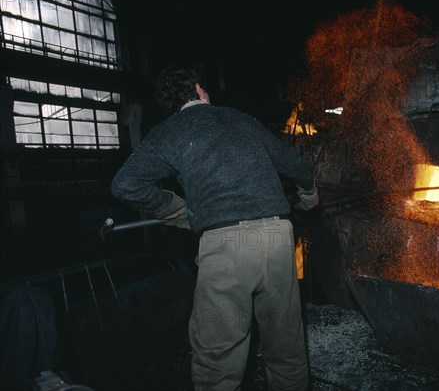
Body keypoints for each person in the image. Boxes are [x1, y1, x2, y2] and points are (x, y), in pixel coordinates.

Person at [111, 66, 318, 390]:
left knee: (218, 364)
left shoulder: (168, 132)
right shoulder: (241, 119)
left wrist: (177, 211)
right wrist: (309, 195)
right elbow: (296, 166)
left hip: (225, 250)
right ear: (199, 89)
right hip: (277, 238)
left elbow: (125, 184)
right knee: (286, 350)